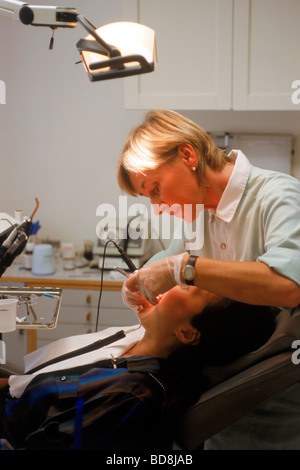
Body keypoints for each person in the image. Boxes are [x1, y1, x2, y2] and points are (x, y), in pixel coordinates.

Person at [117, 109, 300, 450]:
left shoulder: (278, 197)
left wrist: (186, 268)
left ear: (188, 155)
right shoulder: (201, 213)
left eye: (156, 189)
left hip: (282, 417)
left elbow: (289, 286)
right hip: (217, 416)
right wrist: (138, 282)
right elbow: (167, 264)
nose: (158, 206)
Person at [0, 287, 276, 450]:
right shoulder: (129, 339)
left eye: (190, 287)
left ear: (188, 333)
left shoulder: (129, 395)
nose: (173, 284)